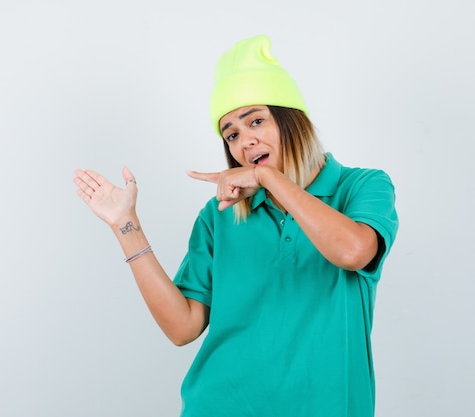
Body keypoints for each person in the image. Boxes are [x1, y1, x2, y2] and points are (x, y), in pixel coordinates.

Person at [73, 34, 398, 417]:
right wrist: (126, 225)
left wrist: (271, 179)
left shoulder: (361, 187)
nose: (244, 141)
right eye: (231, 134)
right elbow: (183, 327)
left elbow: (353, 251)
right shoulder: (221, 215)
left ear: (294, 121)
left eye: (256, 121)